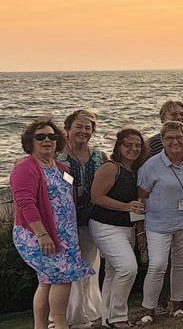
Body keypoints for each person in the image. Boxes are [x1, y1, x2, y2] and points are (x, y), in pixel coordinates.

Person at [11, 118, 95, 329]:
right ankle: (60, 325)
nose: (47, 140)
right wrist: (42, 234)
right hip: (38, 234)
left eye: (52, 136)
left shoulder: (61, 167)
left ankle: (40, 327)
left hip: (64, 234)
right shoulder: (25, 168)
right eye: (40, 137)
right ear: (30, 142)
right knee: (61, 277)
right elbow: (25, 204)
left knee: (47, 280)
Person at [137, 121, 183, 324]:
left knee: (182, 263)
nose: (174, 142)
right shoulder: (151, 166)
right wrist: (140, 228)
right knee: (158, 264)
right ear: (162, 140)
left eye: (179, 137)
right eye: (169, 138)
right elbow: (141, 197)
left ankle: (177, 304)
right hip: (159, 224)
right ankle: (148, 309)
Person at [88, 128, 149, 328]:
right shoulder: (110, 168)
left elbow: (139, 203)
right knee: (128, 268)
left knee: (113, 272)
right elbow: (96, 197)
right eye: (128, 144)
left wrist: (140, 230)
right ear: (119, 146)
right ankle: (118, 316)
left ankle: (107, 317)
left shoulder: (137, 171)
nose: (133, 148)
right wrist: (126, 207)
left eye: (137, 145)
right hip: (105, 225)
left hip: (127, 227)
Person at [57, 110, 105, 328]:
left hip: (91, 219)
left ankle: (86, 312)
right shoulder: (57, 156)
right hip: (63, 221)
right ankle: (65, 316)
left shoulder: (99, 156)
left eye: (88, 127)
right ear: (67, 129)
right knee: (67, 268)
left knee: (89, 265)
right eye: (79, 126)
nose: (84, 131)